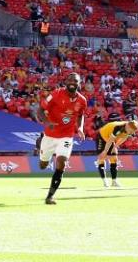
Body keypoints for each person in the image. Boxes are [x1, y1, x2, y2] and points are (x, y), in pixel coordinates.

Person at [36, 73, 87, 205]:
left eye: (75, 81)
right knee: (43, 165)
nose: (72, 82)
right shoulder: (55, 94)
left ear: (79, 83)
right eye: (69, 80)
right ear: (65, 81)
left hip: (66, 136)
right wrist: (47, 122)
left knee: (61, 163)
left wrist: (80, 128)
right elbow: (40, 110)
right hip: (50, 135)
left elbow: (81, 115)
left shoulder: (82, 100)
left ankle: (50, 196)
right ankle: (40, 146)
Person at [94, 119, 138, 188]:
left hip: (110, 138)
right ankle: (105, 181)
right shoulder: (118, 127)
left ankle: (114, 181)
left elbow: (124, 138)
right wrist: (105, 151)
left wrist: (115, 146)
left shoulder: (131, 129)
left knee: (114, 159)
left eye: (132, 132)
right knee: (101, 158)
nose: (131, 133)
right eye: (130, 131)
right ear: (127, 126)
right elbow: (110, 140)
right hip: (102, 136)